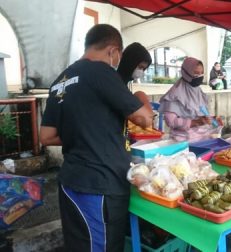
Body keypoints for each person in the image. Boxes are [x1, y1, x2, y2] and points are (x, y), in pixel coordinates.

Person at [39, 24, 155, 252]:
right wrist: (142, 96)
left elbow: (47, 136)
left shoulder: (60, 80)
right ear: (113, 51)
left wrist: (84, 133)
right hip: (100, 183)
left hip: (71, 181)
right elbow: (144, 119)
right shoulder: (101, 72)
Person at [159, 57, 215, 142]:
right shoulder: (175, 94)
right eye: (196, 73)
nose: (199, 76)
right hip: (182, 140)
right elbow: (171, 121)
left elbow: (201, 114)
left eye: (202, 73)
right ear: (186, 73)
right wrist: (195, 122)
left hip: (202, 137)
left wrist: (212, 119)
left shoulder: (198, 91)